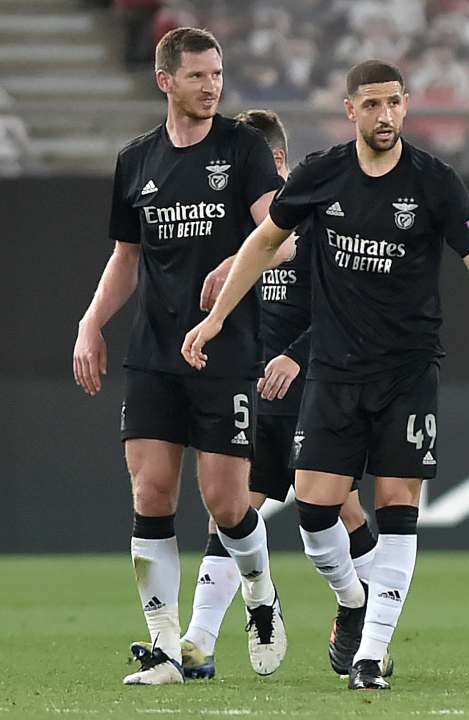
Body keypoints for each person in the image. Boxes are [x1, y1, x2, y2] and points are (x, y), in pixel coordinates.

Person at [181, 60, 469, 690]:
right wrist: (214, 320)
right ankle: (351, 600)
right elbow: (262, 243)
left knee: (397, 506)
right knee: (315, 511)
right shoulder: (321, 175)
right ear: (350, 111)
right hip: (334, 375)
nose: (385, 115)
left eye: (394, 103)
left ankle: (371, 654)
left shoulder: (436, 182)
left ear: (406, 105)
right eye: (372, 105)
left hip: (407, 372)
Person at [130, 109, 378, 680]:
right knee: (234, 510)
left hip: (314, 385)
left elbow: (352, 307)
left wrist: (299, 354)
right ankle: (198, 643)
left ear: (279, 165)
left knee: (337, 507)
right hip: (251, 387)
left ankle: (364, 614)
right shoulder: (226, 232)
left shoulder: (316, 220)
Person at [72, 27, 287, 686]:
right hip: (154, 353)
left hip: (226, 353)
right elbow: (125, 259)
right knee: (151, 491)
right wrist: (90, 323)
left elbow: (284, 236)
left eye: (217, 75)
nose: (211, 87)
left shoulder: (242, 149)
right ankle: (166, 647)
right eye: (197, 76)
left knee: (225, 504)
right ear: (165, 80)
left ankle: (260, 594)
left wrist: (237, 258)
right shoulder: (136, 160)